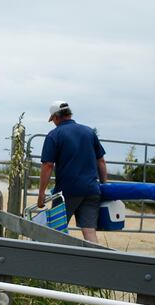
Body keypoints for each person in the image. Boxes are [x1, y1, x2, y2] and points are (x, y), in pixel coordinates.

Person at [36, 100, 108, 243]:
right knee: (89, 231)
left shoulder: (54, 135)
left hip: (67, 192)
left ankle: (56, 262)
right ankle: (96, 262)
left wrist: (41, 193)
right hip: (91, 190)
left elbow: (48, 166)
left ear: (56, 117)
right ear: (69, 114)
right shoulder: (89, 132)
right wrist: (104, 185)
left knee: (56, 231)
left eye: (53, 120)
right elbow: (101, 161)